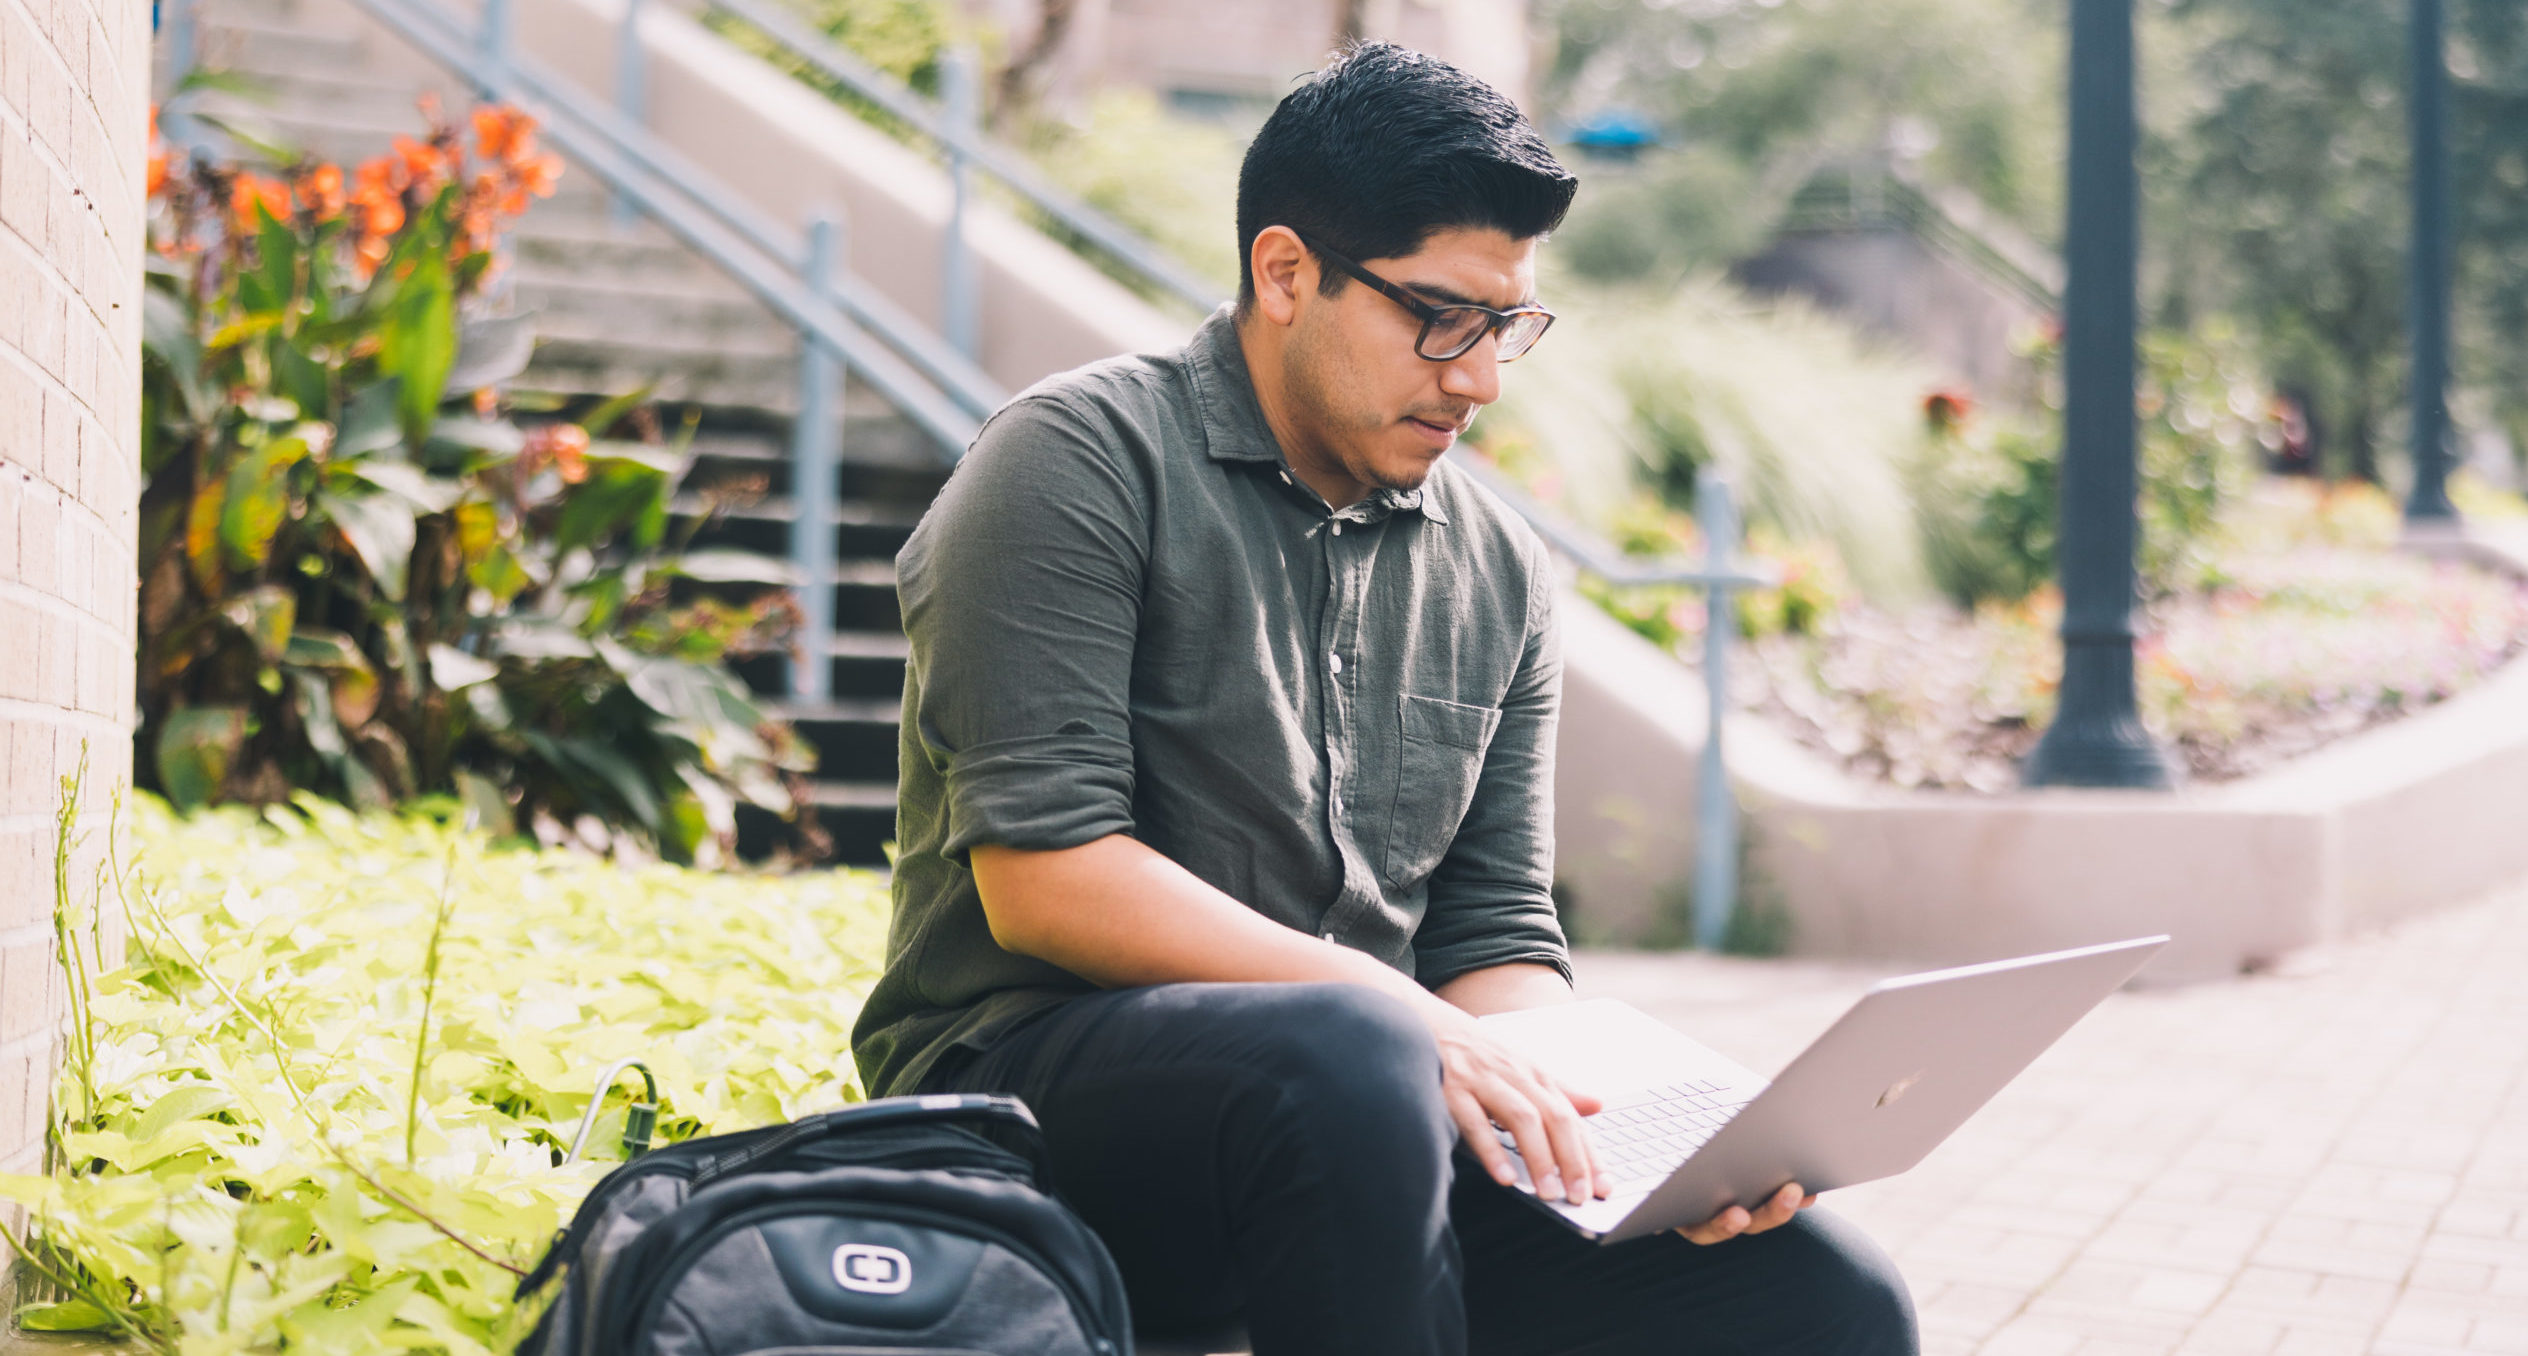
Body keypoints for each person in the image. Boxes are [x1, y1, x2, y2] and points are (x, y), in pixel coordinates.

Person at [850, 42, 1917, 1356]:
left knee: (1819, 1302)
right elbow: (1049, 877)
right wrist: (1404, 1024)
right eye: (1441, 318)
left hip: (1371, 1114)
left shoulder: (1501, 566)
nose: (1477, 378)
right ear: (1285, 273)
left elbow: (1491, 942)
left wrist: (1640, 1117)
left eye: (1508, 328)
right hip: (1035, 1104)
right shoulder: (1072, 464)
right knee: (1349, 1053)